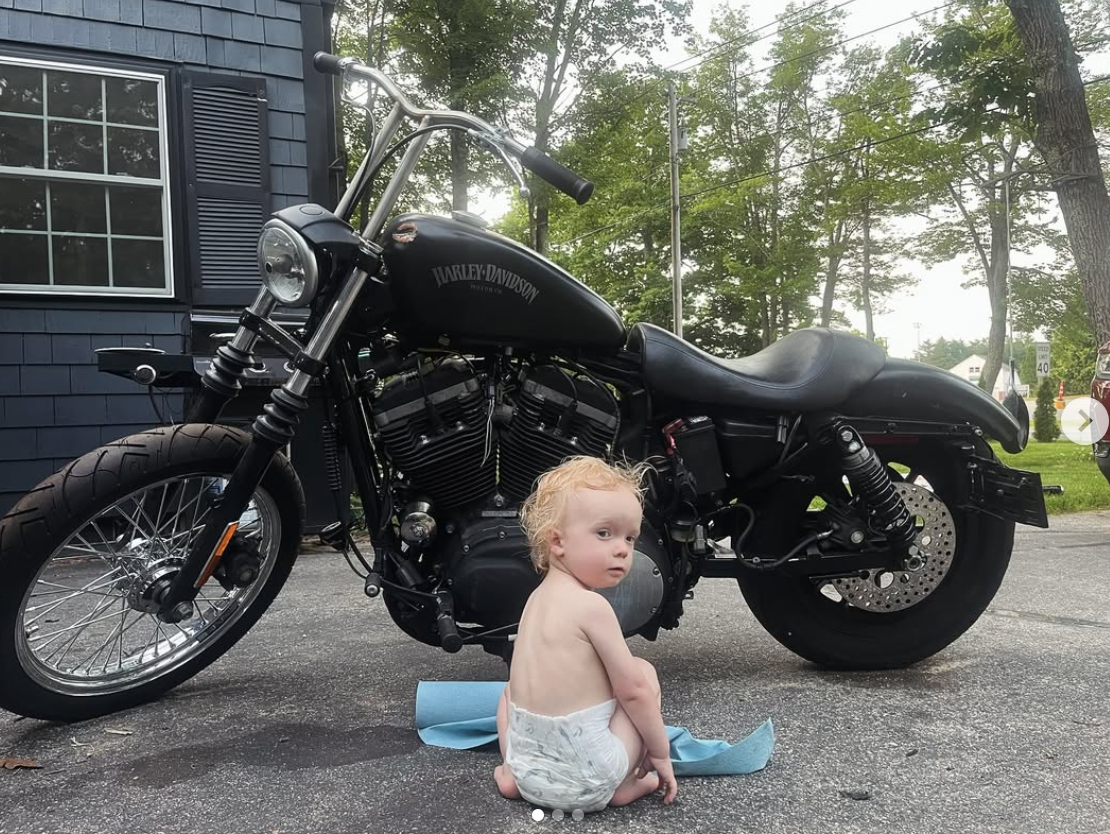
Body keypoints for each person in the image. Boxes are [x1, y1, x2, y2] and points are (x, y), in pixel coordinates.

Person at [493, 456, 678, 813]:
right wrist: (660, 751)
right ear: (557, 541)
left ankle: (510, 773)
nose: (622, 549)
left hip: (531, 775)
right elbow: (634, 692)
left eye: (630, 537)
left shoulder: (535, 600)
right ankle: (625, 784)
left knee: (509, 690)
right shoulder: (592, 607)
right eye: (604, 533)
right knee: (642, 674)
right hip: (591, 777)